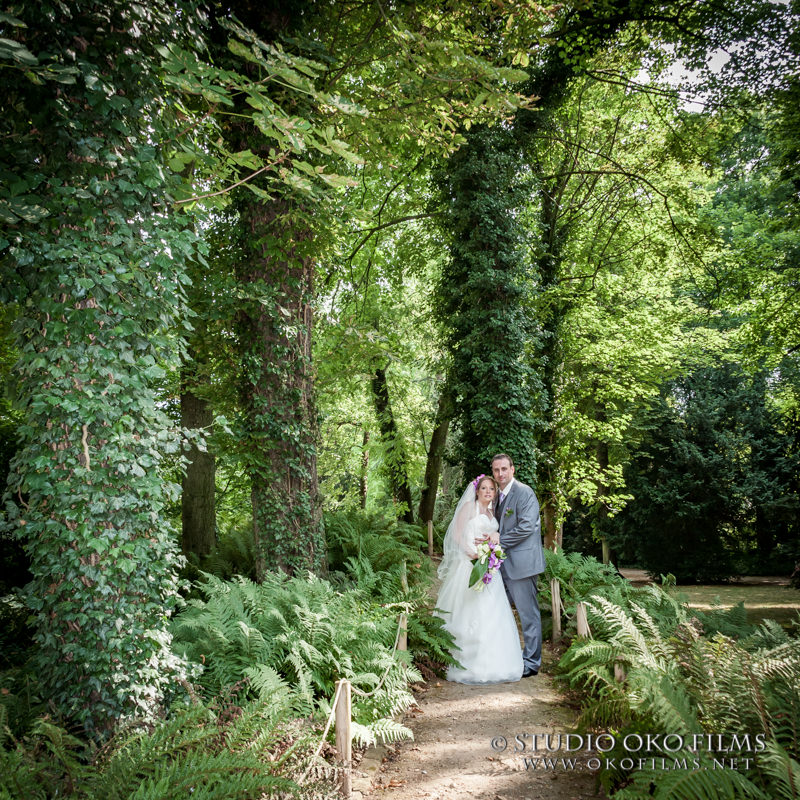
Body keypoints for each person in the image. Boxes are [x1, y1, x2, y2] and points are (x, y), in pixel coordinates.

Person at [434, 474, 524, 684]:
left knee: (493, 615)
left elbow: (496, 535)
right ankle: (464, 660)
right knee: (468, 612)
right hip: (468, 565)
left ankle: (494, 663)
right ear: (477, 490)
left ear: (495, 493)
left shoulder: (494, 512)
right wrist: (471, 553)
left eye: (491, 489)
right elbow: (456, 536)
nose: (487, 492)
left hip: (489, 569)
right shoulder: (469, 508)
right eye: (484, 488)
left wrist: (496, 539)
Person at [490, 453, 545, 677]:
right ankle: (506, 657)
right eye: (496, 470)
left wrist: (498, 539)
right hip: (500, 566)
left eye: (504, 469)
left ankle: (532, 663)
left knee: (528, 616)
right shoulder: (496, 497)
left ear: (513, 469)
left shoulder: (524, 493)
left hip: (522, 565)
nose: (500, 474)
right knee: (499, 613)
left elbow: (526, 527)